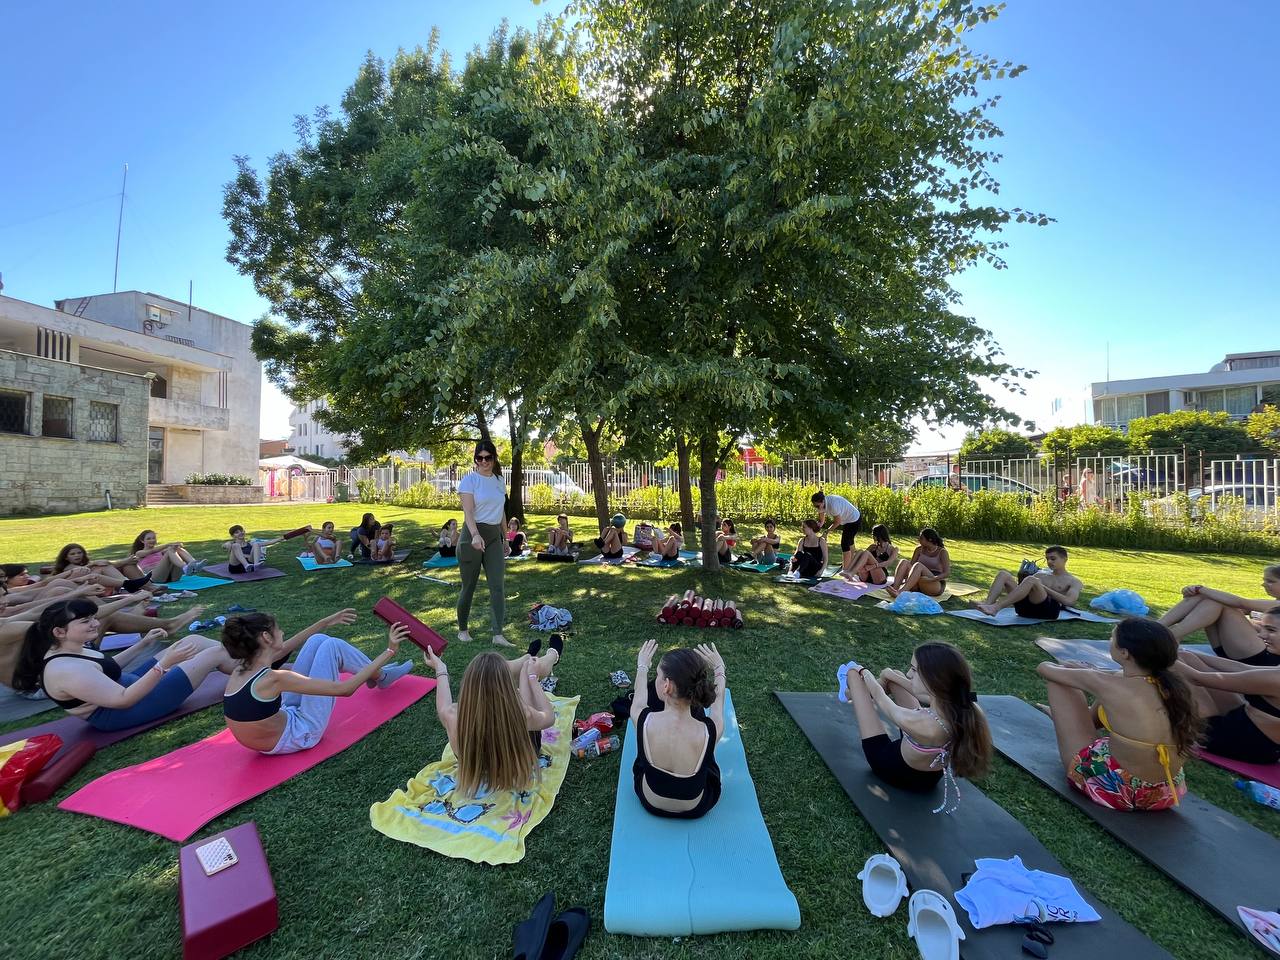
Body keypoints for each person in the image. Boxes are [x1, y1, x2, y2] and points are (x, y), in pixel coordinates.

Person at [1037, 618, 1200, 811]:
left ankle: (1065, 722)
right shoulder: (1175, 687)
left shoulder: (1108, 684)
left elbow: (1045, 669)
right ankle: (1068, 723)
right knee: (1108, 691)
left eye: (1112, 637)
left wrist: (1073, 667)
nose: (1109, 640)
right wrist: (1092, 672)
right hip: (1164, 792)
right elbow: (1117, 679)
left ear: (1125, 653)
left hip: (1119, 791)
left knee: (1059, 679)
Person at [11, 597, 234, 731]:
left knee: (194, 640)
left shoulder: (69, 646)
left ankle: (249, 664)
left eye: (93, 618)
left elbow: (105, 667)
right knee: (213, 654)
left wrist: (144, 644)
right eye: (85, 621)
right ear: (59, 631)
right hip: (127, 709)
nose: (95, 624)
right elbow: (123, 700)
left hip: (132, 685)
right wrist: (164, 664)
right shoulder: (65, 670)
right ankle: (258, 674)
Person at [220, 609, 414, 754]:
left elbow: (285, 648)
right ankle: (381, 676)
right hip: (300, 735)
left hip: (279, 724)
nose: (282, 632)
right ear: (266, 637)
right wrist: (390, 651)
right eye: (277, 629)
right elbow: (345, 689)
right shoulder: (275, 679)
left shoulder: (243, 668)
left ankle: (378, 675)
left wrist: (324, 622)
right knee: (332, 646)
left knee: (317, 639)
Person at [842, 642, 990, 812]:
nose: (908, 673)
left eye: (913, 670)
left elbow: (882, 700)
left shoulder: (921, 723)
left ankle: (850, 692)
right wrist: (890, 675)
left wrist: (864, 672)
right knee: (895, 676)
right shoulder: (965, 706)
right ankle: (858, 692)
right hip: (929, 778)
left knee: (853, 674)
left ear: (932, 678)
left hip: (889, 767)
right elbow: (925, 695)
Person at [420, 636, 565, 796]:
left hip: (477, 771)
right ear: (507, 687)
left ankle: (526, 657)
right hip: (522, 756)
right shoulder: (519, 714)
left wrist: (440, 667)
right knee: (526, 670)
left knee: (491, 670)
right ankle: (551, 655)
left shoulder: (452, 715)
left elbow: (444, 700)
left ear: (467, 686)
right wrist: (532, 678)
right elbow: (548, 716)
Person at [1, 587, 206, 689]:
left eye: (3, 596)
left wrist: (77, 591)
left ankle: (147, 615)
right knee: (97, 618)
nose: (4, 601)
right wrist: (131, 597)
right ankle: (163, 622)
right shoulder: (6, 629)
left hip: (43, 674)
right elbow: (60, 623)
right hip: (37, 686)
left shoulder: (6, 623)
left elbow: (33, 613)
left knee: (77, 605)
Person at [631, 639, 726, 819]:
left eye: (658, 675)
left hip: (651, 802)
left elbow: (639, 698)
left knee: (642, 754)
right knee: (709, 756)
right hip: (695, 808)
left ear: (666, 685)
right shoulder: (711, 730)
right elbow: (718, 704)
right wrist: (719, 669)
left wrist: (643, 666)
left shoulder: (643, 720)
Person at [1172, 606, 1280, 764]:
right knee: (1186, 658)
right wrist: (1189, 654)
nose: (1261, 635)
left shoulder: (1275, 678)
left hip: (1244, 743)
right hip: (1253, 730)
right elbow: (1244, 669)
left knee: (1174, 668)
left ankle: (1192, 728)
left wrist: (1163, 653)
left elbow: (1197, 678)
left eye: (1271, 630)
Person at [1160, 565, 1280, 665]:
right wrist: (1199, 593)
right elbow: (1236, 607)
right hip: (1239, 652)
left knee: (1216, 600)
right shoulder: (1271, 604)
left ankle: (1165, 634)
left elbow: (1241, 603)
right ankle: (1159, 629)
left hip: (1265, 659)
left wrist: (1200, 589)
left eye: (1270, 581)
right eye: (1264, 580)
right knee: (1212, 600)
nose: (1263, 585)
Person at [458, 440, 513, 647]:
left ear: (494, 458)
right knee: (469, 586)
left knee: (497, 586)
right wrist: (474, 535)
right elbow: (468, 512)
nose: (483, 461)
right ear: (475, 459)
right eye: (479, 458)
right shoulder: (469, 481)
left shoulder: (499, 480)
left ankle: (498, 634)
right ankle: (463, 630)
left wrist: (505, 538)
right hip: (472, 536)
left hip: (493, 537)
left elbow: (501, 512)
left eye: (487, 457)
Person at [975, 545, 1081, 618]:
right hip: (1024, 609)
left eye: (1053, 559)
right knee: (1003, 574)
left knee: (1031, 579)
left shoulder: (1074, 581)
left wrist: (1043, 587)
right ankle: (988, 604)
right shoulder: (1041, 574)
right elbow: (1020, 592)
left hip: (1047, 612)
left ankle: (995, 608)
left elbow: (1069, 601)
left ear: (1065, 559)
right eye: (1047, 559)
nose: (1049, 562)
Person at [885, 528, 950, 598]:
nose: (919, 540)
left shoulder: (942, 552)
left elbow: (946, 573)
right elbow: (911, 566)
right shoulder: (919, 550)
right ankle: (895, 589)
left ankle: (900, 593)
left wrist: (932, 579)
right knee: (904, 562)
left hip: (934, 584)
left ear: (930, 539)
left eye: (921, 538)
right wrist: (907, 578)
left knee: (918, 565)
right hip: (919, 583)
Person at [811, 490, 862, 575]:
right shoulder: (821, 505)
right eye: (815, 506)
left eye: (817, 506)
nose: (817, 508)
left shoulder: (833, 505)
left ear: (822, 501)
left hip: (854, 519)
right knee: (849, 542)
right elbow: (821, 520)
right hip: (847, 520)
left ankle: (846, 569)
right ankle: (852, 563)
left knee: (845, 543)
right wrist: (816, 528)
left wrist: (826, 532)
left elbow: (837, 522)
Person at [125, 531, 204, 584]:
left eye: (154, 538)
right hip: (155, 578)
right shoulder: (139, 553)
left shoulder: (161, 551)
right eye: (149, 539)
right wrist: (168, 545)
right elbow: (152, 551)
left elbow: (167, 550)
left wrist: (176, 546)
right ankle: (185, 567)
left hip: (172, 578)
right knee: (170, 549)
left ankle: (194, 565)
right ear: (142, 541)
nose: (152, 540)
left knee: (175, 549)